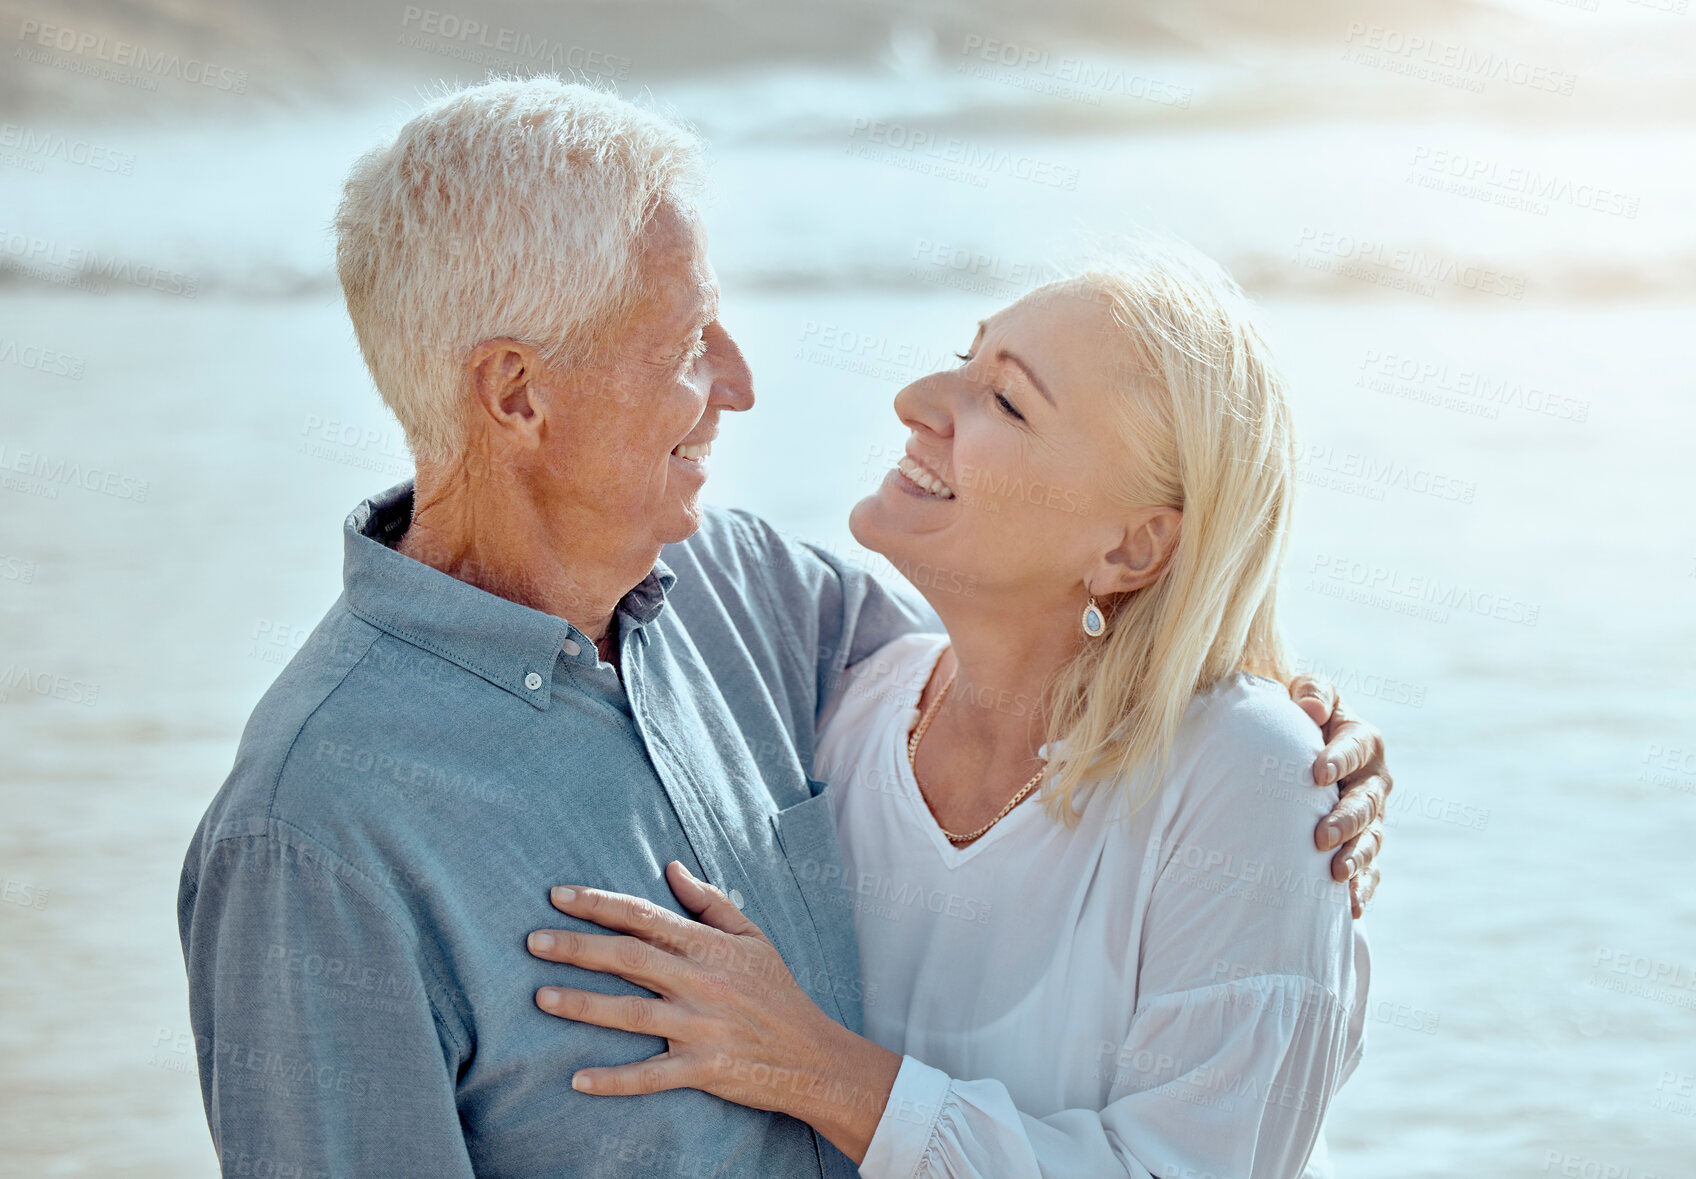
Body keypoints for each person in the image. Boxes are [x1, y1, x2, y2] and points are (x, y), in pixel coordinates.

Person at [178, 77, 1390, 1177]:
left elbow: (1063, 652)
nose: (742, 381)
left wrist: (1281, 728)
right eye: (686, 343)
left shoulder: (754, 603)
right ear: (518, 395)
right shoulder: (314, 832)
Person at [527, 243, 1370, 1177]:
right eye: (963, 358)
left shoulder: (1248, 774)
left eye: (1006, 401)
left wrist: (821, 1071)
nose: (918, 401)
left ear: (1132, 548)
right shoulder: (851, 707)